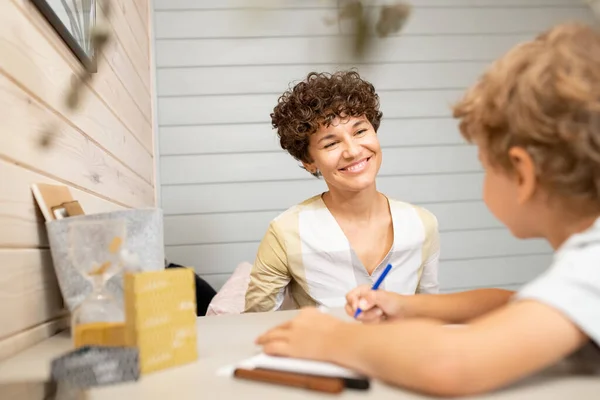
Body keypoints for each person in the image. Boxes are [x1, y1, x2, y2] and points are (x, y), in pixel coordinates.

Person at [255, 22, 600, 397]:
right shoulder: (583, 269)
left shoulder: (591, 268)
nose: (353, 150)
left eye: (484, 165)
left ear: (523, 174)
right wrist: (403, 306)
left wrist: (333, 338)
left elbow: (452, 363)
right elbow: (515, 304)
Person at [244, 71, 441, 313]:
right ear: (308, 161)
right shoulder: (286, 232)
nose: (353, 151)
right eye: (331, 143)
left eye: (360, 131)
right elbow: (254, 324)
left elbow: (430, 312)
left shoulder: (422, 224)